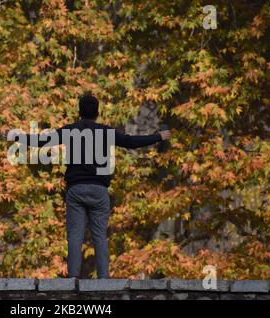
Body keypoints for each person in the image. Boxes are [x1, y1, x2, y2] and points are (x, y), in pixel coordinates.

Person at [12, 94, 171, 278]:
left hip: (76, 189)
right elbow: (131, 142)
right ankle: (103, 278)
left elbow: (41, 141)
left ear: (79, 112)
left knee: (75, 236)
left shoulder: (70, 130)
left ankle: (73, 278)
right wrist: (157, 136)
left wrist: (14, 135)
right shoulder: (106, 132)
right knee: (99, 236)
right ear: (97, 112)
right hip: (99, 190)